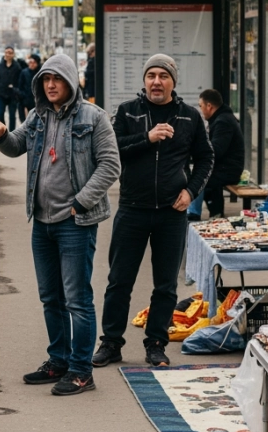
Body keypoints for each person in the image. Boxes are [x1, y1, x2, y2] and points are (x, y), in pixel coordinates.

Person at [0, 53, 120, 396]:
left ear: (71, 81)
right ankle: (58, 359)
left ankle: (81, 371)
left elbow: (110, 166)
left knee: (76, 299)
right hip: (41, 222)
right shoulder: (38, 115)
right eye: (46, 79)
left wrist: (80, 202)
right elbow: (16, 146)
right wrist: (0, 135)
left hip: (75, 221)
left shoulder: (93, 117)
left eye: (57, 79)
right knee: (50, 297)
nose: (51, 84)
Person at [92, 54, 215, 369]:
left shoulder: (189, 117)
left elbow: (205, 158)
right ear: (144, 80)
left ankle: (156, 343)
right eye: (151, 76)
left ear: (173, 81)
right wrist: (147, 138)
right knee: (119, 280)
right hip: (132, 209)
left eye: (163, 76)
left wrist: (191, 191)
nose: (156, 81)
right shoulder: (128, 113)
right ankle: (111, 343)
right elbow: (113, 149)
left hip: (171, 213)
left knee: (165, 284)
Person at [187, 88, 245, 221]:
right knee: (200, 174)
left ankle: (193, 214)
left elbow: (216, 150)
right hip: (224, 167)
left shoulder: (223, 122)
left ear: (209, 106)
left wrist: (195, 153)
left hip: (229, 170)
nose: (201, 110)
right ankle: (211, 212)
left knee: (199, 176)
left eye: (201, 106)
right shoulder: (221, 118)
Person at [0, 46, 23, 131]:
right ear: (4, 53)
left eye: (10, 53)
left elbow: (20, 81)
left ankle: (12, 134)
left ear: (13, 54)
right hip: (1, 94)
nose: (8, 54)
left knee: (12, 116)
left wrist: (17, 90)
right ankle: (3, 133)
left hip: (13, 95)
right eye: (6, 52)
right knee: (0, 114)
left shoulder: (17, 67)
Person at [17, 53, 40, 122]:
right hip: (24, 98)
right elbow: (20, 85)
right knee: (23, 120)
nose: (32, 64)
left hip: (35, 100)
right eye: (30, 62)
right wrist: (21, 95)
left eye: (34, 63)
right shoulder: (24, 72)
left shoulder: (39, 73)